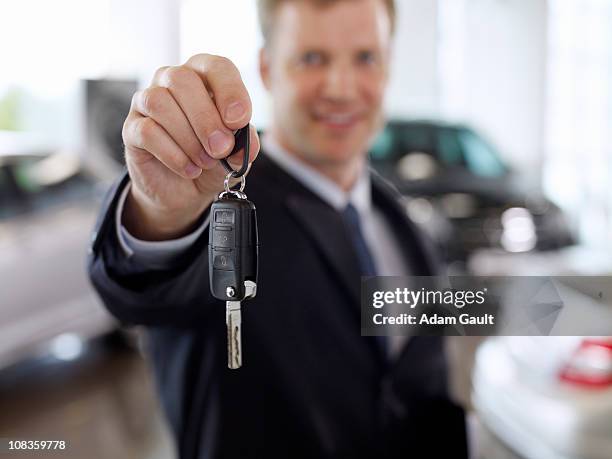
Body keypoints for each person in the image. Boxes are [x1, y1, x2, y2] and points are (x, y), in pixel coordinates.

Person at [88, 0, 468, 457]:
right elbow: (144, 285)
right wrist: (160, 214)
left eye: (365, 58)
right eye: (313, 58)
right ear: (267, 69)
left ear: (387, 68)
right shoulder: (211, 197)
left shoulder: (401, 219)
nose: (342, 88)